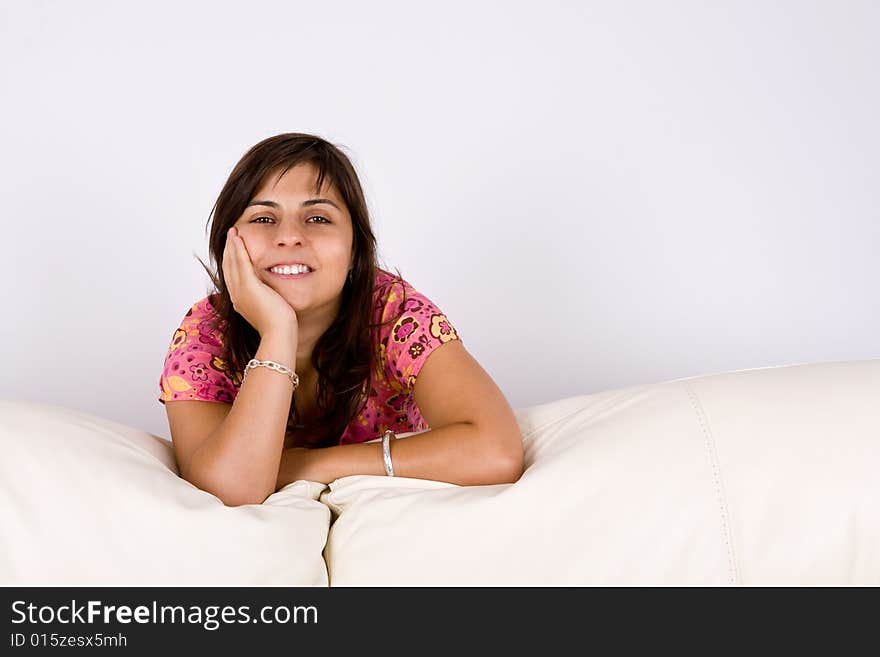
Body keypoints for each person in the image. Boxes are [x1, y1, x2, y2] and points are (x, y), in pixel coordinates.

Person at [158, 133, 524, 506]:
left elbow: (496, 451)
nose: (289, 237)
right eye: (264, 217)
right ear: (228, 244)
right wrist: (278, 331)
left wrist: (305, 465)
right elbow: (230, 490)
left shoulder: (393, 312)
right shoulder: (205, 332)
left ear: (354, 250)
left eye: (317, 217)